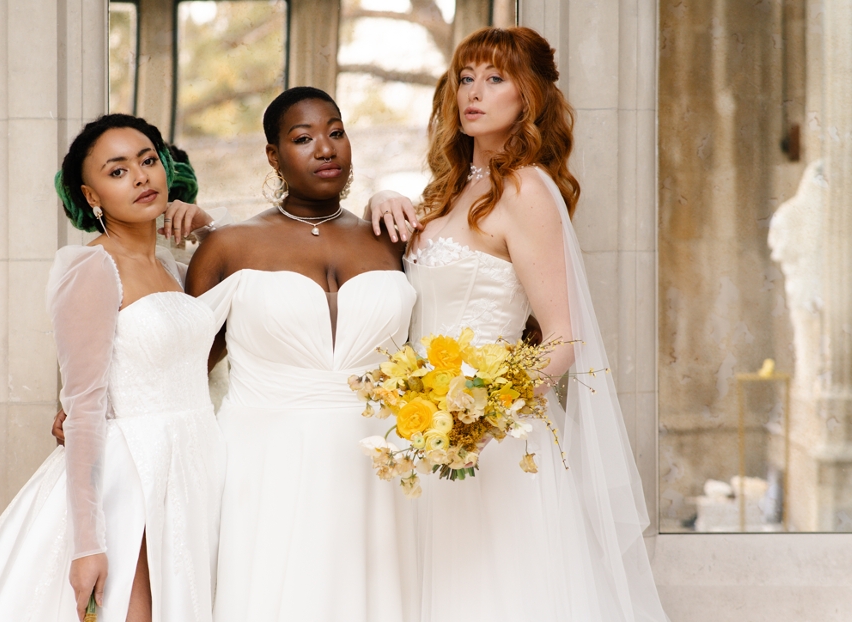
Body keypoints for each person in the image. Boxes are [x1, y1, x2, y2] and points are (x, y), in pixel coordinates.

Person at [368, 27, 670, 621]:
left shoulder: (526, 188)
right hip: (425, 431)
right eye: (465, 78)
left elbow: (561, 337)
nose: (473, 92)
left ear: (527, 96)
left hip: (494, 438)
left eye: (495, 78)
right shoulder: (449, 188)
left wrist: (478, 412)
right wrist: (380, 198)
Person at [0, 114, 225, 622]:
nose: (140, 177)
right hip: (133, 471)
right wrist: (86, 544)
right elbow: (84, 408)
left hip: (195, 462)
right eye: (117, 171)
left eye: (149, 160)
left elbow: (216, 338)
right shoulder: (92, 268)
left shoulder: (176, 272)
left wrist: (205, 226)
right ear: (92, 197)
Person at [186, 86, 418, 622]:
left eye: (336, 133)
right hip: (263, 461)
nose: (325, 148)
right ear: (274, 155)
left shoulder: (394, 239)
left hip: (380, 461)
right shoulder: (228, 245)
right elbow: (186, 361)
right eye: (303, 138)